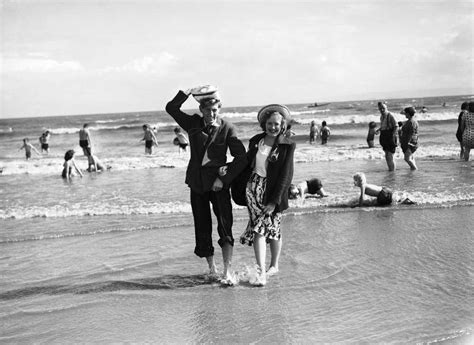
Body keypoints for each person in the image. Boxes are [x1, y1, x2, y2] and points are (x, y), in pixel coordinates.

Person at [165, 85, 247, 284]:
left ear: (219, 108)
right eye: (207, 110)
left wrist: (223, 177)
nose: (211, 113)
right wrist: (186, 92)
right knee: (202, 226)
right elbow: (171, 108)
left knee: (225, 225)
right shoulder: (192, 123)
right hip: (196, 184)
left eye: (215, 110)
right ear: (200, 109)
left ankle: (227, 271)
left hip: (218, 185)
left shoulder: (228, 127)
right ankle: (212, 268)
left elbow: (241, 157)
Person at [239, 104, 295, 286]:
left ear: (283, 125)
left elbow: (286, 175)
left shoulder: (288, 145)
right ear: (264, 124)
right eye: (270, 123)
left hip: (273, 191)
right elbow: (247, 164)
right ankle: (262, 271)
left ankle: (273, 265)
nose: (273, 127)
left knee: (273, 227)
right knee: (259, 229)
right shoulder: (256, 140)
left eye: (277, 124)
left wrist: (274, 201)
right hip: (253, 189)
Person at [375, 102, 398, 171]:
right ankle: (390, 170)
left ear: (386, 108)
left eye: (383, 108)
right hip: (384, 136)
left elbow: (396, 126)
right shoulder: (381, 117)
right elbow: (383, 126)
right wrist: (379, 130)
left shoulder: (390, 115)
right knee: (386, 155)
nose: (382, 110)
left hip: (390, 136)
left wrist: (393, 136)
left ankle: (392, 171)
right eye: (380, 109)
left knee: (390, 155)